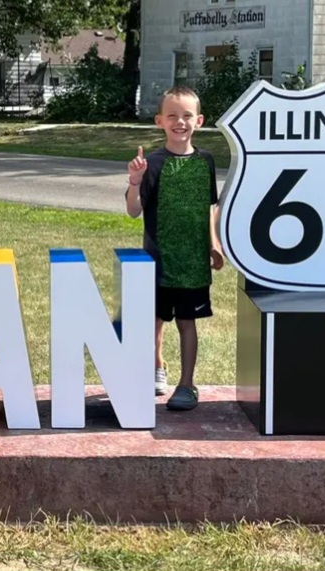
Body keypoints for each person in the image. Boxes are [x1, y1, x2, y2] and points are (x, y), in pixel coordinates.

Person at [125, 85, 224, 411]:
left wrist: (214, 244)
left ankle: (187, 383)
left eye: (186, 116)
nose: (179, 122)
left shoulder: (206, 162)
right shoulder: (151, 163)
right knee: (155, 319)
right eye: (172, 116)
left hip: (193, 263)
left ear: (199, 120)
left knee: (187, 322)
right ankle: (156, 366)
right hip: (158, 258)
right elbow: (134, 210)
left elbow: (210, 207)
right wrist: (135, 182)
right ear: (159, 121)